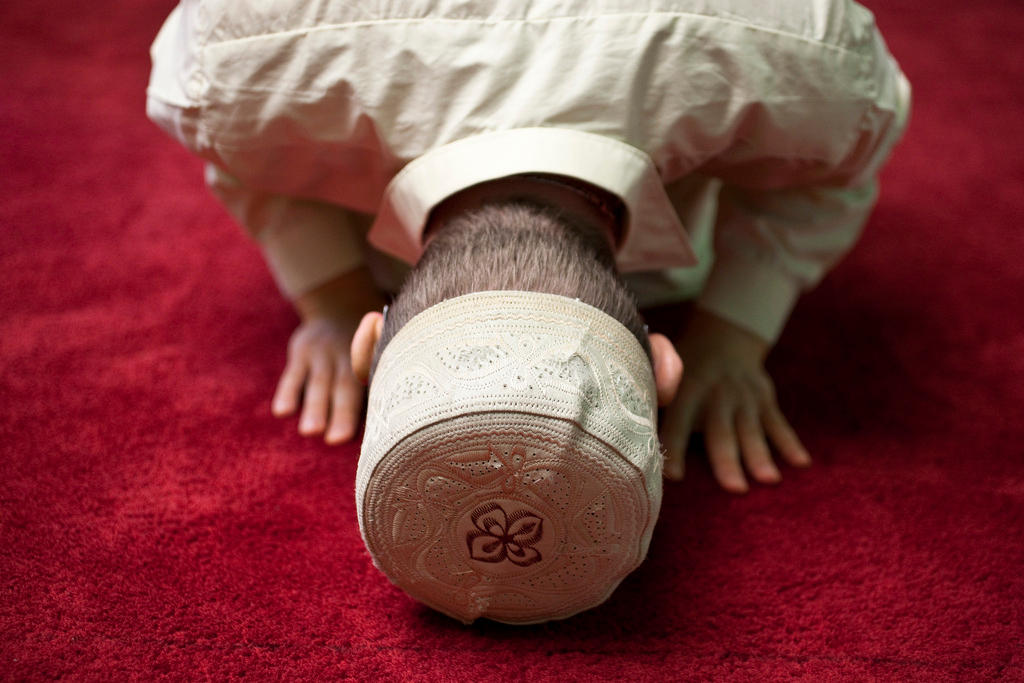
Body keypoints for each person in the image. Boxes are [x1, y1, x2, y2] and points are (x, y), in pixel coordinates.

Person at [147, 0, 910, 622]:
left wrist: (737, 329)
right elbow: (841, 159)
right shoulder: (814, 65)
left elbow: (237, 142)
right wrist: (329, 295)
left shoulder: (233, 60)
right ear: (662, 364)